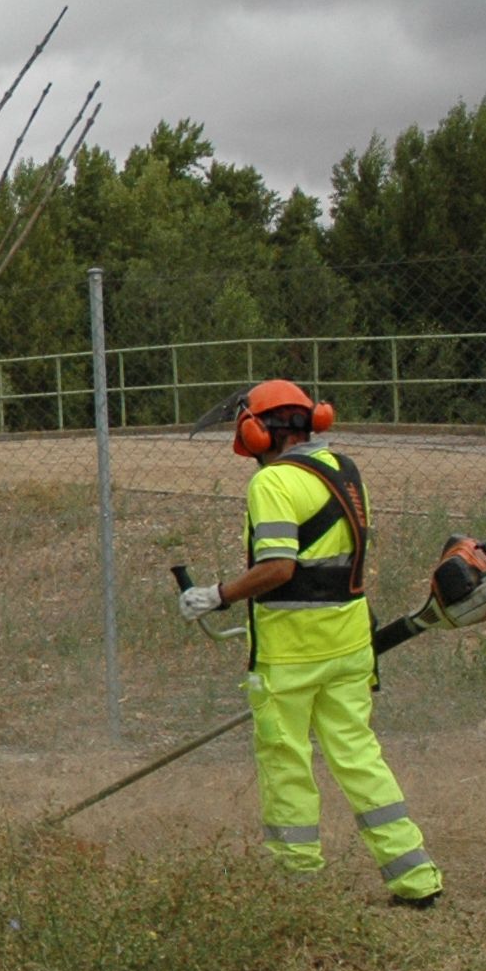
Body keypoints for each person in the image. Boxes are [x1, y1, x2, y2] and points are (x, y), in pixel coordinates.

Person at [179, 380, 443, 906]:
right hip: (348, 646)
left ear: (258, 432)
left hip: (292, 656)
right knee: (359, 758)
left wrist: (218, 595)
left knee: (286, 764)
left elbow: (279, 566)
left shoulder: (273, 483)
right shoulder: (345, 471)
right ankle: (415, 878)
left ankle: (296, 884)